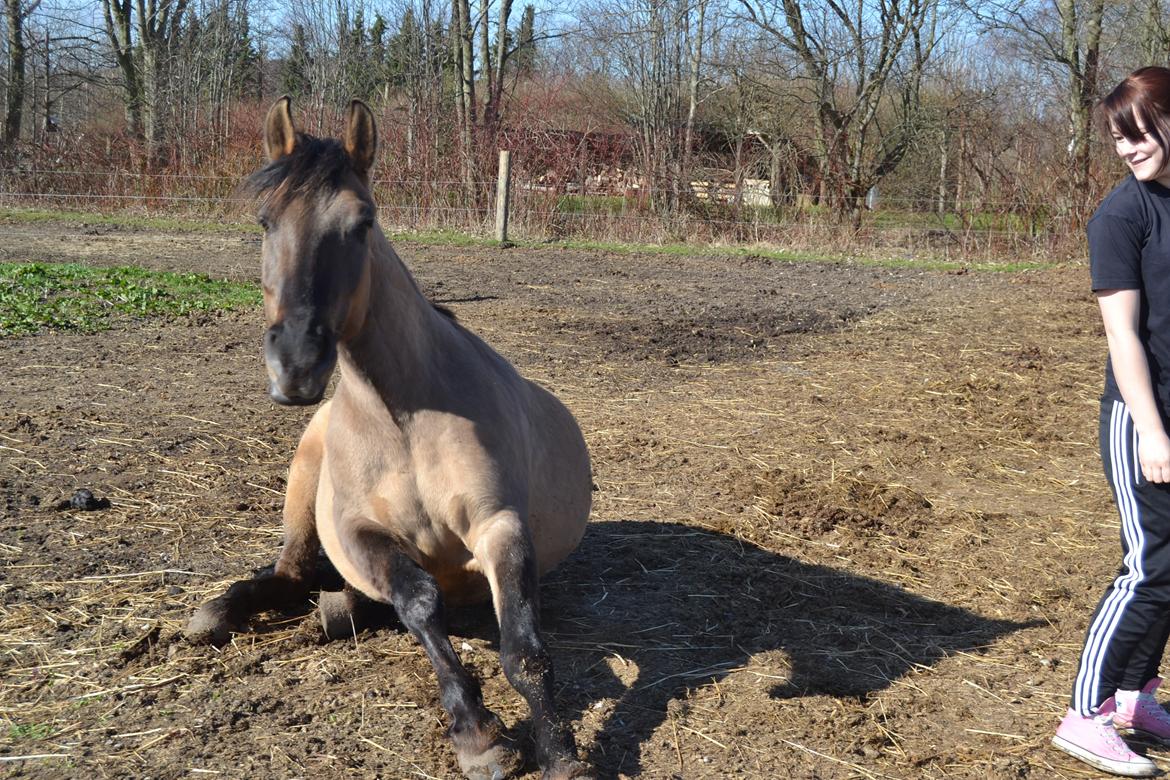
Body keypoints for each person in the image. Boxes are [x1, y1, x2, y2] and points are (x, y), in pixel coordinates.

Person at [1053, 65, 1170, 777]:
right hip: (1139, 420)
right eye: (1118, 138)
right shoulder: (1121, 217)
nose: (1129, 148)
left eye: (1140, 132)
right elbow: (1123, 337)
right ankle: (1084, 714)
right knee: (1148, 567)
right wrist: (1153, 431)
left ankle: (1135, 697)